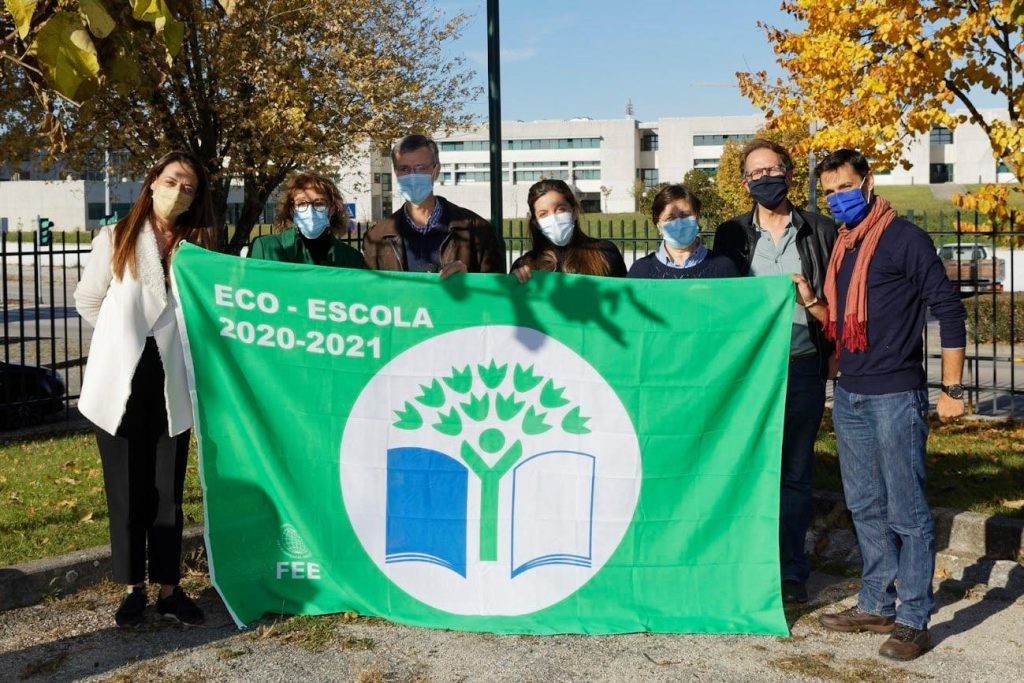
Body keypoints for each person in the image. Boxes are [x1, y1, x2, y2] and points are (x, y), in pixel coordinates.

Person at [814, 149, 966, 661]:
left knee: (908, 511)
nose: (838, 199)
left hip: (897, 396)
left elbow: (948, 308)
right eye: (829, 192)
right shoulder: (843, 246)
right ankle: (876, 600)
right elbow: (841, 318)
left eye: (845, 187)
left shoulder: (905, 239)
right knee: (864, 505)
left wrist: (952, 389)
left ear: (870, 181)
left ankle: (913, 618)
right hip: (852, 394)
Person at [74, 150, 217, 628]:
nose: (178, 192)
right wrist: (121, 340)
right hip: (122, 382)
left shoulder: (196, 248)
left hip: (172, 382)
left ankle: (170, 590)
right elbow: (88, 298)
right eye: (172, 180)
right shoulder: (114, 238)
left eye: (189, 187)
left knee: (167, 490)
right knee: (127, 489)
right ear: (152, 182)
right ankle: (133, 588)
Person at [714, 138, 838, 604]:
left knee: (794, 472)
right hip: (751, 368)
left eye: (774, 169)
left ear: (789, 172)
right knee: (746, 467)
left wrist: (808, 296)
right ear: (745, 183)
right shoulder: (732, 234)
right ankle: (747, 562)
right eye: (756, 172)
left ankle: (790, 572)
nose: (766, 178)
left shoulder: (819, 230)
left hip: (802, 362)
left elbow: (833, 306)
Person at [362, 134, 505, 276]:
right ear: (396, 172)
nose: (412, 176)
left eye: (420, 168)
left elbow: (497, 291)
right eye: (404, 169)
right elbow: (370, 294)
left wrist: (470, 280)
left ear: (436, 171)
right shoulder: (376, 237)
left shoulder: (476, 230)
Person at [511, 179, 627, 280]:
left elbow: (624, 296)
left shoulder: (605, 252)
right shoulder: (525, 265)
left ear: (574, 212)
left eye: (560, 209)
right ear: (536, 222)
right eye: (543, 214)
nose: (554, 218)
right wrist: (515, 281)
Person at [249, 172, 366, 268]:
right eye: (301, 203)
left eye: (319, 203)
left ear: (331, 210)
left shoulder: (352, 258)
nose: (310, 210)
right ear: (291, 210)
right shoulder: (266, 249)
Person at [628, 184, 738, 279]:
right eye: (670, 218)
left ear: (697, 216)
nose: (679, 223)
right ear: (659, 227)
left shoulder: (724, 268)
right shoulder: (641, 271)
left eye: (685, 215)